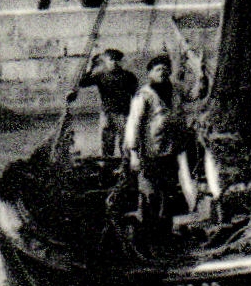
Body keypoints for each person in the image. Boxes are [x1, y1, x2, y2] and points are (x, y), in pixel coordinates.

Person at [123, 54, 193, 240]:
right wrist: (134, 154)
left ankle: (166, 230)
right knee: (150, 192)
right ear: (150, 73)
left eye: (165, 69)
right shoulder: (144, 95)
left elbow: (194, 95)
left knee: (169, 190)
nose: (162, 72)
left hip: (171, 149)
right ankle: (149, 232)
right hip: (150, 151)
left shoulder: (175, 90)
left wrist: (201, 74)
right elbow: (133, 124)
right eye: (157, 69)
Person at [68, 48, 140, 157]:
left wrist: (135, 113)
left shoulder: (128, 76)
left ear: (120, 61)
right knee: (107, 141)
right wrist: (91, 67)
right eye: (111, 60)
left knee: (125, 142)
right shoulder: (100, 75)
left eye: (117, 60)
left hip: (124, 113)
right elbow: (82, 82)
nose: (114, 63)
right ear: (106, 61)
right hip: (107, 113)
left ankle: (126, 164)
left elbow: (135, 94)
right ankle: (108, 165)